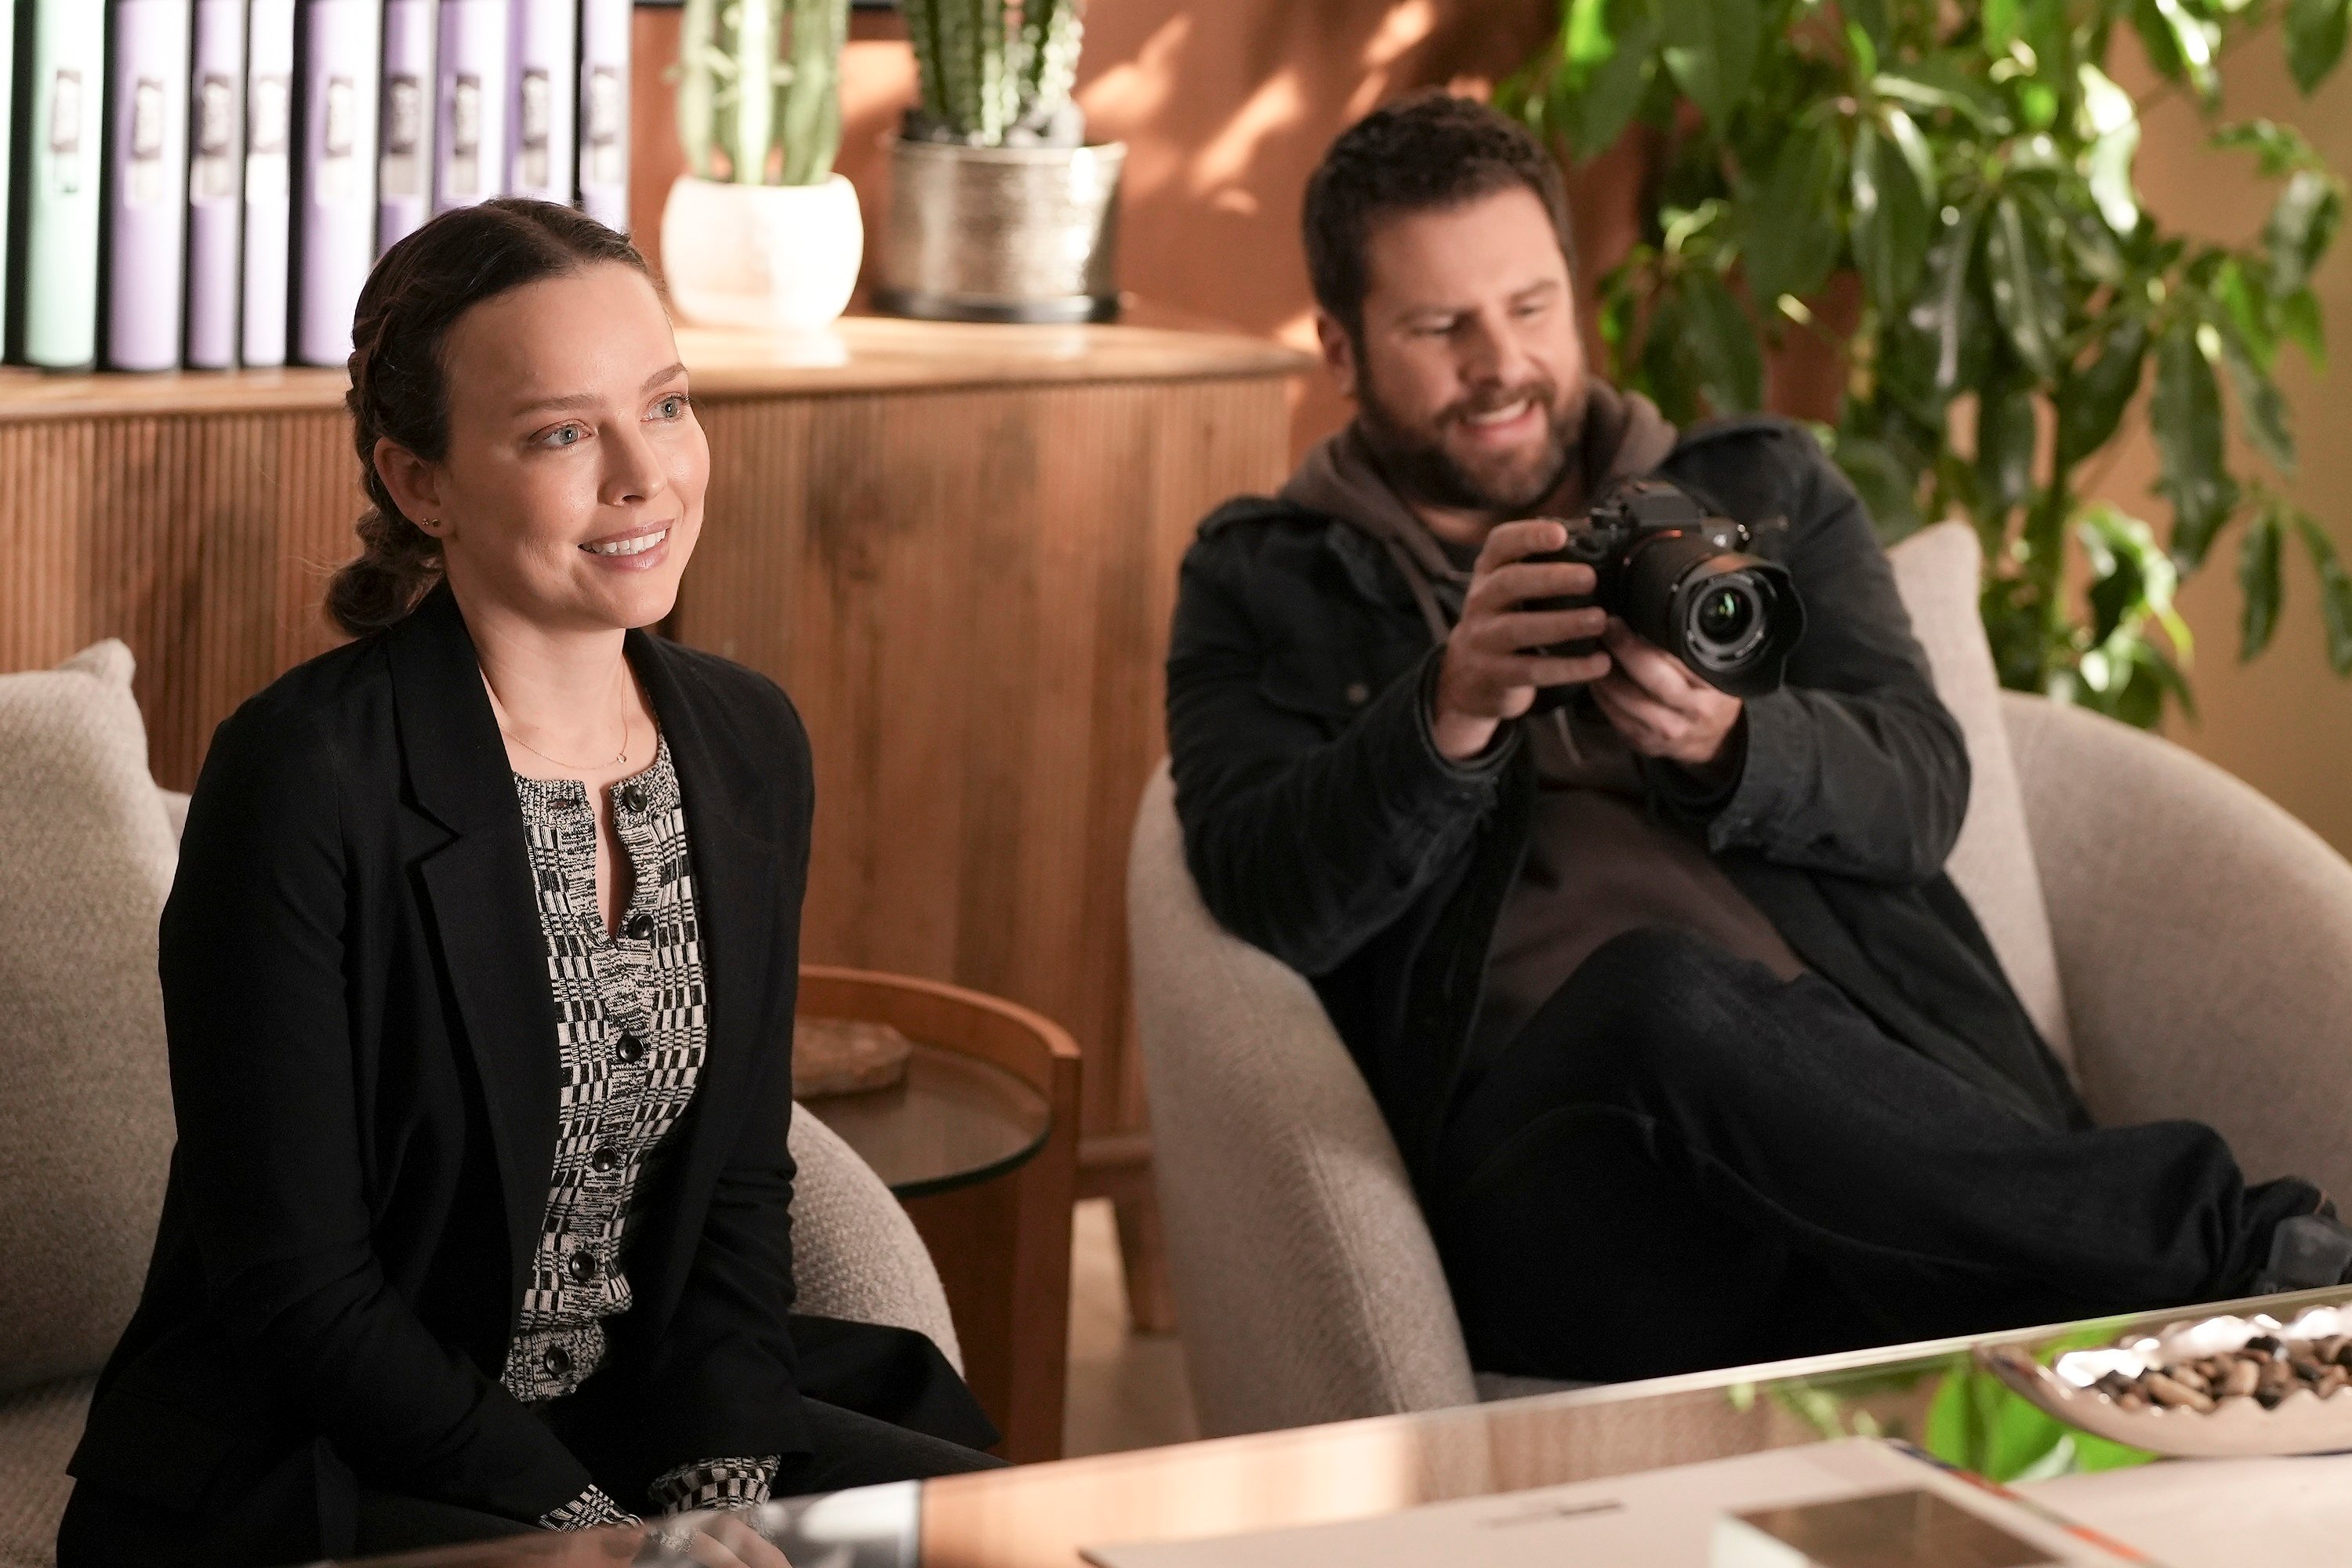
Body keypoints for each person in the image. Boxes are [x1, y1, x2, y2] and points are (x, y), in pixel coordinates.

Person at [1166, 92, 2352, 1386]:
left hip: (1865, 1143)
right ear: (1340, 346)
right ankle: (2259, 1257)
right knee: (1656, 995)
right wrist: (1443, 716)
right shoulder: (1264, 576)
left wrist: (1736, 744)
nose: (1500, 363)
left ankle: (2137, 1311)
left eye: (1531, 306)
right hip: (1571, 1195)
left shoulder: (1761, 490)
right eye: (1439, 327)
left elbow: (1922, 788)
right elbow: (1256, 888)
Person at [58, 200, 998, 1568]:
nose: (645, 477)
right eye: (562, 432)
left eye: (666, 408)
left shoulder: (746, 743)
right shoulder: (304, 774)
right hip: (334, 1449)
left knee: (988, 1537)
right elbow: (297, 1289)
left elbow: (739, 1184)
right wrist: (596, 1533)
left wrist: (717, 1496)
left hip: (648, 1415)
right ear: (420, 481)